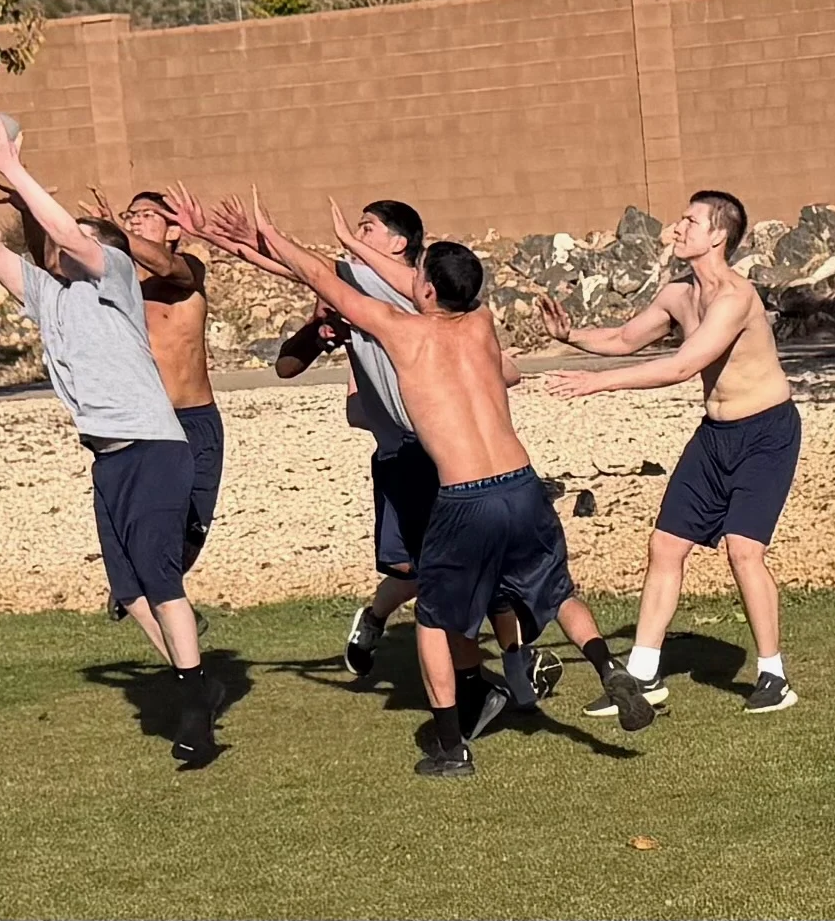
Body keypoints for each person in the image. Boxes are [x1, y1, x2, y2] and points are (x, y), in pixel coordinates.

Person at [251, 187, 655, 777]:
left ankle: (450, 747)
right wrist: (357, 247)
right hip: (523, 484)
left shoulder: (404, 332)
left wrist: (284, 236)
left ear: (427, 290)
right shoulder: (482, 322)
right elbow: (415, 279)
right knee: (558, 592)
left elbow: (321, 279)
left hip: (466, 498)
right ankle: (607, 668)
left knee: (435, 620)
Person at [171, 187, 560, 731]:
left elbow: (301, 264)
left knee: (460, 576)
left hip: (441, 456)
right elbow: (295, 272)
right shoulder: (370, 283)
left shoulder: (410, 288)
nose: (356, 236)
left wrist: (246, 237)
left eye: (367, 227)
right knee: (423, 571)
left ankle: (488, 683)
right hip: (402, 451)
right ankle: (443, 654)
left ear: (400, 245)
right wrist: (222, 237)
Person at [0, 117, 221, 764]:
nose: (57, 243)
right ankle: (195, 680)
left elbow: (73, 235)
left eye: (71, 236)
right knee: (129, 591)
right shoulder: (49, 295)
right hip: (107, 459)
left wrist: (13, 165)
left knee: (161, 581)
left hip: (152, 445)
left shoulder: (114, 276)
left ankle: (195, 703)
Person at [541, 189, 801, 715]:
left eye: (690, 221)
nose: (676, 229)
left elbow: (683, 366)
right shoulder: (679, 293)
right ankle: (642, 676)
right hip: (714, 435)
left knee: (743, 550)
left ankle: (773, 676)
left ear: (718, 235)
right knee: (665, 545)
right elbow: (623, 339)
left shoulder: (735, 298)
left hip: (767, 434)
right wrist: (571, 335)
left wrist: (597, 384)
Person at [80, 187, 223, 633]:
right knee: (146, 519)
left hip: (197, 420)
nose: (136, 219)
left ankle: (154, 584)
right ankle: (152, 590)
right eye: (131, 215)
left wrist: (115, 230)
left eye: (147, 214)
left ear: (174, 229)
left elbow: (166, 266)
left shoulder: (188, 270)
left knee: (193, 526)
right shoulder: (119, 280)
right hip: (150, 425)